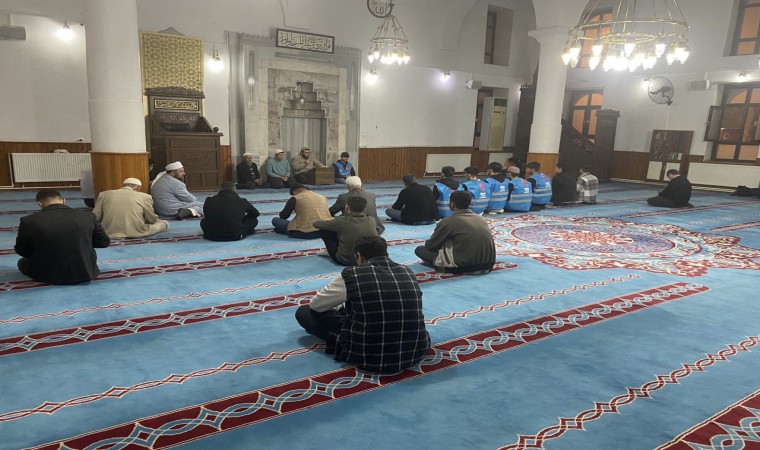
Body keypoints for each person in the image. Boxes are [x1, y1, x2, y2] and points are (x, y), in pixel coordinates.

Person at [295, 236, 431, 373]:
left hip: (370, 354)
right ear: (386, 253)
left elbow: (316, 305)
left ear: (359, 256)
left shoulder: (352, 274)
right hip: (415, 348)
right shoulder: (407, 271)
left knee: (304, 313)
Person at [15, 189, 111, 284]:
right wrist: (84, 242)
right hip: (85, 272)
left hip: (49, 276)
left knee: (22, 262)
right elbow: (103, 242)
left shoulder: (28, 221)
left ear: (40, 204)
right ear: (64, 200)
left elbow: (22, 250)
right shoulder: (88, 216)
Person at [415, 190, 496, 274]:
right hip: (488, 265)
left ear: (452, 204)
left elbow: (431, 246)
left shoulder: (448, 221)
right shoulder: (481, 219)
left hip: (463, 266)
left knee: (420, 250)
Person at [93, 177, 169, 239]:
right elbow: (151, 219)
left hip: (108, 231)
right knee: (164, 223)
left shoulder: (104, 194)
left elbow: (96, 217)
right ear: (138, 187)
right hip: (136, 231)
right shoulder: (145, 196)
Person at [314, 196, 378, 266]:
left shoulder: (341, 221)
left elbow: (316, 224)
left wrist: (331, 220)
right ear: (365, 209)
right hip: (368, 259)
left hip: (345, 260)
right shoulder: (372, 219)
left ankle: (332, 251)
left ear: (346, 208)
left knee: (325, 229)